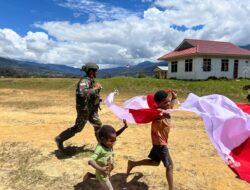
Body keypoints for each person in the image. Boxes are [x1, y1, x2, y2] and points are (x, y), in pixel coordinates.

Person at [126, 90, 177, 190]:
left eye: (168, 101)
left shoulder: (165, 110)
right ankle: (171, 188)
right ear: (158, 103)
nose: (168, 104)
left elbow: (171, 107)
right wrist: (160, 112)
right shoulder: (157, 113)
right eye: (165, 102)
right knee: (169, 166)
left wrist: (174, 98)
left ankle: (132, 163)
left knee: (155, 162)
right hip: (160, 144)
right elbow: (156, 112)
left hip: (158, 143)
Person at [55, 62, 102, 152]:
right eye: (96, 71)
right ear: (91, 71)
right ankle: (59, 139)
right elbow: (82, 93)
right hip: (84, 110)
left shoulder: (91, 80)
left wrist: (97, 91)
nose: (97, 73)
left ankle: (101, 147)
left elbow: (91, 94)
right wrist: (95, 89)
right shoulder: (84, 81)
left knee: (98, 124)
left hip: (91, 109)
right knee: (78, 128)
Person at [83, 119, 128, 190]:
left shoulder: (108, 143)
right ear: (103, 139)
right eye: (111, 141)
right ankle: (94, 175)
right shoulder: (99, 148)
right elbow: (90, 161)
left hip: (106, 169)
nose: (113, 142)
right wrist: (101, 169)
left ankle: (90, 175)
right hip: (102, 173)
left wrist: (124, 127)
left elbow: (115, 135)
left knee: (101, 176)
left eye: (114, 140)